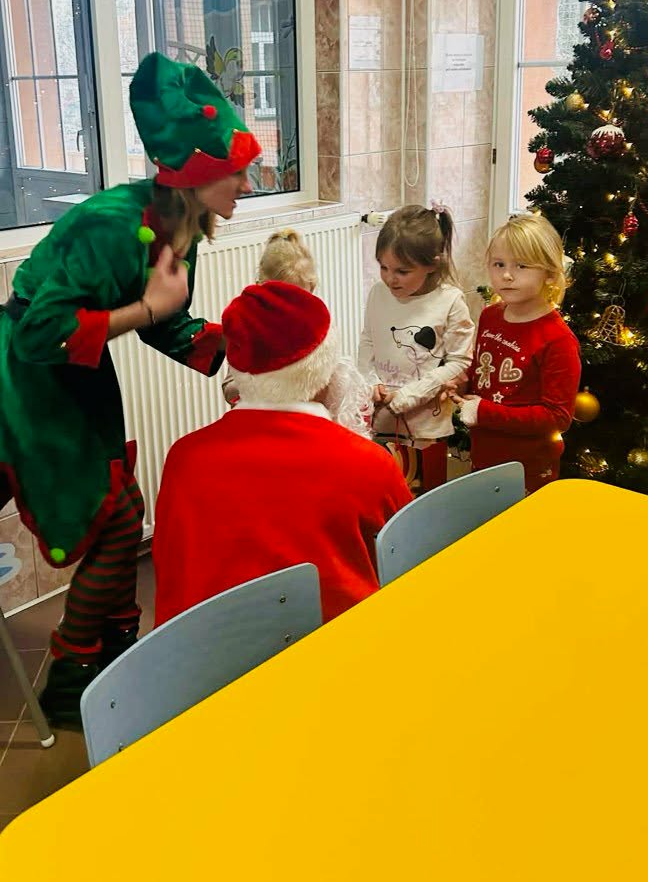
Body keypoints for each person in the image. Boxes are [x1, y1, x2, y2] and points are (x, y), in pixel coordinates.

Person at [0, 52, 260, 725]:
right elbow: (41, 333)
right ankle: (72, 676)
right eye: (237, 172)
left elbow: (166, 321)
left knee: (123, 506)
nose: (248, 184)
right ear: (198, 174)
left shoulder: (179, 224)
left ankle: (115, 652)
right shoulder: (110, 225)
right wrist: (147, 309)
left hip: (79, 373)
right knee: (117, 521)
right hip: (33, 379)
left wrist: (245, 356)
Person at [152, 281, 412, 626]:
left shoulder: (184, 458)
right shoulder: (366, 461)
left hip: (208, 649)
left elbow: (171, 569)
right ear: (326, 372)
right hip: (337, 643)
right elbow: (412, 553)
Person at [453, 213, 581, 493]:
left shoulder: (558, 340)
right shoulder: (490, 316)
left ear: (549, 274)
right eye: (499, 264)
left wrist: (485, 412)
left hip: (528, 470)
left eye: (521, 266)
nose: (507, 275)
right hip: (484, 455)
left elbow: (557, 417)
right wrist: (464, 382)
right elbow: (484, 367)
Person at [358, 203, 474, 493]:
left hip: (425, 426)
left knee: (423, 494)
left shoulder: (450, 301)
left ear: (433, 264)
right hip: (380, 417)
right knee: (385, 491)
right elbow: (368, 340)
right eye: (383, 267)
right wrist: (370, 382)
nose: (390, 278)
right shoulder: (378, 293)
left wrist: (410, 396)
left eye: (402, 271)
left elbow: (459, 361)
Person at [222, 228, 373, 436]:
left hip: (305, 426)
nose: (292, 310)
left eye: (301, 298)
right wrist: (262, 387)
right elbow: (229, 386)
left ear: (312, 289)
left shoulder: (317, 327)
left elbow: (329, 380)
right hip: (262, 426)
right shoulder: (249, 327)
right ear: (260, 287)